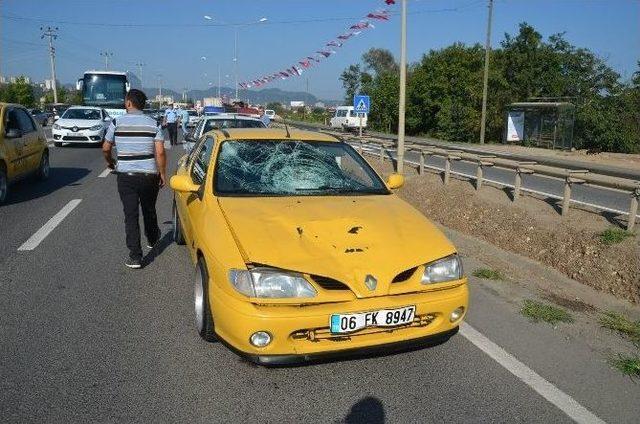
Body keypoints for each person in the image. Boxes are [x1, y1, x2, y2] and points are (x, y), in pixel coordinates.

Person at [102, 89, 167, 269]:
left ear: (129, 103)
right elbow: (160, 152)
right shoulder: (154, 123)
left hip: (126, 177)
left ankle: (135, 257)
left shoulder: (116, 122)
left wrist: (110, 162)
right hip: (148, 176)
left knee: (130, 215)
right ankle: (153, 237)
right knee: (149, 209)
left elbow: (106, 148)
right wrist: (162, 173)